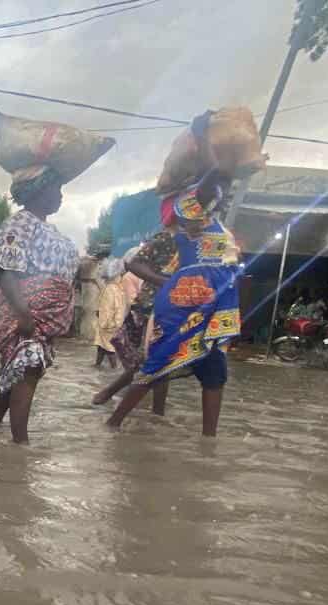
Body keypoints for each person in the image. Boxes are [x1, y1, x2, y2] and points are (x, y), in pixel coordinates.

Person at [106, 126, 241, 437]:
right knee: (157, 364)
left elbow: (218, 180)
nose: (221, 195)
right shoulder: (191, 212)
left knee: (215, 371)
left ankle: (208, 442)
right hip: (185, 301)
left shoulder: (215, 223)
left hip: (216, 302)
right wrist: (204, 136)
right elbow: (215, 175)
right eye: (215, 191)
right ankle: (113, 425)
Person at [0, 171, 77, 444]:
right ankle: (19, 449)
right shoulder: (20, 223)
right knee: (29, 368)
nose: (60, 196)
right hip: (23, 310)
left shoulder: (49, 229)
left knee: (15, 368)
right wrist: (23, 313)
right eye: (55, 189)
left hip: (43, 314)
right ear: (37, 191)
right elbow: (3, 268)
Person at [92, 218, 180, 415]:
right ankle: (123, 409)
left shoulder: (194, 243)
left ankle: (147, 412)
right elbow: (134, 264)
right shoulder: (166, 238)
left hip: (174, 308)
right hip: (154, 308)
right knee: (153, 360)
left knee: (159, 362)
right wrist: (164, 282)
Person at [92, 259, 125, 369]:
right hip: (113, 322)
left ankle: (113, 368)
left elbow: (107, 308)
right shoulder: (117, 287)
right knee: (101, 345)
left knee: (108, 347)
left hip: (107, 323)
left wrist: (105, 323)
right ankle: (98, 365)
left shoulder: (110, 289)